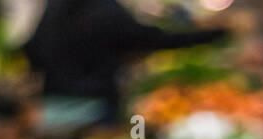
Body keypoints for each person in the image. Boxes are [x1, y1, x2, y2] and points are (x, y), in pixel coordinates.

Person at [19, 0, 230, 124]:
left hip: (52, 107)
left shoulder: (54, 7)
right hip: (96, 106)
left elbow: (31, 49)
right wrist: (216, 34)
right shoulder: (107, 10)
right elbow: (153, 40)